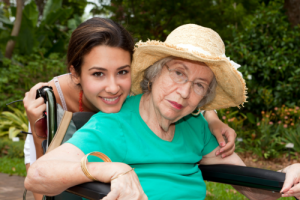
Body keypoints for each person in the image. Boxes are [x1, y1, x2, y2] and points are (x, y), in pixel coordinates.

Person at [25, 24, 300, 199]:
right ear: (153, 74)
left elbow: (256, 188)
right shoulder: (114, 125)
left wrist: (287, 176)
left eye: (199, 85)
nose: (184, 92)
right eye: (178, 73)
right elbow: (37, 176)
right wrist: (112, 169)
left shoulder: (197, 125)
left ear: (205, 96)